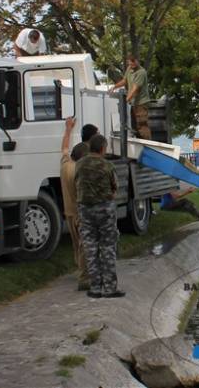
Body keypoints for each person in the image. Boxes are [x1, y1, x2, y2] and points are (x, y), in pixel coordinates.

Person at [75, 134, 124, 298]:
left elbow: (76, 183)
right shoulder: (107, 165)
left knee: (90, 248)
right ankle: (110, 288)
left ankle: (95, 287)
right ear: (103, 148)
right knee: (107, 247)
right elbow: (114, 186)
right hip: (105, 209)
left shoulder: (79, 164)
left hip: (85, 210)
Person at [59, 117, 90, 290]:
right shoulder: (79, 171)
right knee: (84, 243)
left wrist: (68, 129)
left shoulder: (65, 165)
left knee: (76, 243)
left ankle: (79, 269)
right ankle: (84, 275)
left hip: (68, 213)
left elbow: (64, 148)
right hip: (80, 212)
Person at [114, 55, 152, 140]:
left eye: (133, 63)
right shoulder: (129, 69)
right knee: (134, 125)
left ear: (137, 61)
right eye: (130, 64)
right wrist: (114, 87)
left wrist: (126, 100)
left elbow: (135, 89)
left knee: (142, 124)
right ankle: (139, 143)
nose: (132, 65)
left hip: (141, 103)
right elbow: (124, 81)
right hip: (134, 103)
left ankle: (148, 144)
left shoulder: (141, 72)